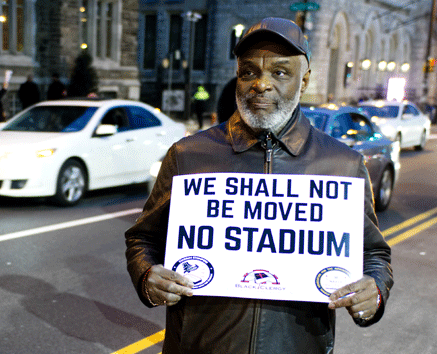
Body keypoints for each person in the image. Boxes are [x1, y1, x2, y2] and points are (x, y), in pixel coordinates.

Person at [125, 17, 393, 353]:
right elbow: (142, 237)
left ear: (305, 80)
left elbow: (373, 254)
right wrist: (147, 275)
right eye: (248, 72)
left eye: (280, 72)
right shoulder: (188, 155)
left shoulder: (342, 165)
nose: (260, 84)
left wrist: (375, 290)